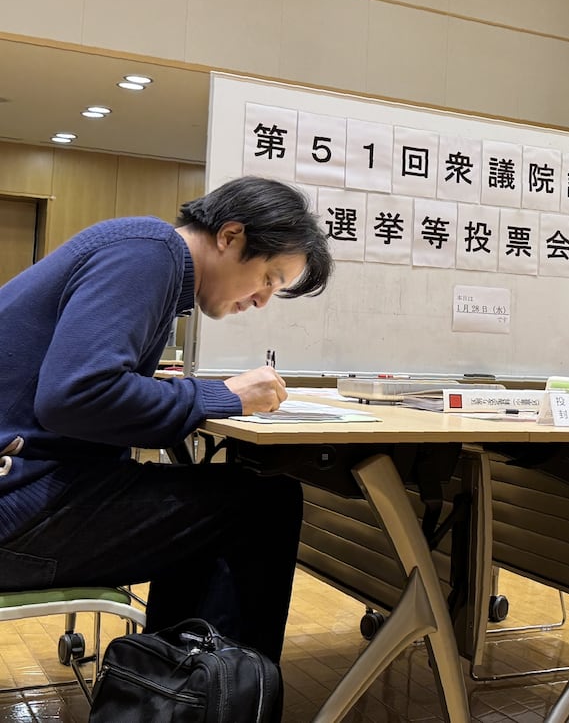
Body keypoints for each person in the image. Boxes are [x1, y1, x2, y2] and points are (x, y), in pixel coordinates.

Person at [0, 176, 333, 664]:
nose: (262, 300)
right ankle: (201, 699)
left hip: (24, 490)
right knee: (260, 505)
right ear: (231, 236)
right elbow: (75, 396)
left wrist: (204, 397)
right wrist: (221, 395)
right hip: (15, 508)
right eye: (269, 278)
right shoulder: (149, 252)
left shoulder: (140, 249)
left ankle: (173, 693)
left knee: (217, 501)